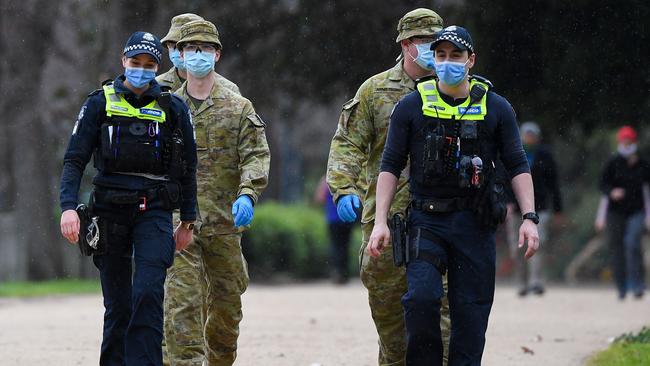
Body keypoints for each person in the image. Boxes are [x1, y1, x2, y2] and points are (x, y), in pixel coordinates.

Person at [368, 26, 539, 365]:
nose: (448, 62)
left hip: (475, 224)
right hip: (426, 221)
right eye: (441, 55)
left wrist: (530, 218)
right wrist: (380, 222)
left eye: (456, 55)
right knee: (421, 299)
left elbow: (517, 164)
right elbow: (390, 165)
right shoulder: (411, 106)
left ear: (470, 60)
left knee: (471, 313)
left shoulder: (496, 108)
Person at [59, 31, 197, 365]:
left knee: (148, 295)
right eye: (135, 63)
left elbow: (190, 166)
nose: (141, 70)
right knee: (118, 305)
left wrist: (188, 220)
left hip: (155, 210)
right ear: (123, 62)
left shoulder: (173, 108)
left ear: (157, 68)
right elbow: (74, 159)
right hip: (109, 212)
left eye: (149, 65)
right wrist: (68, 207)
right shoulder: (98, 103)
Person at [326, 8, 452, 365]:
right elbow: (347, 144)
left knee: (442, 324)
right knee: (391, 323)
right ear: (405, 44)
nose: (429, 48)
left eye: (435, 41)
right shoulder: (375, 91)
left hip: (442, 221)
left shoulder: (456, 90)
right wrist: (344, 188)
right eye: (422, 41)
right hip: (387, 222)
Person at [163, 20, 270, 366]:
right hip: (180, 225)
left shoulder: (237, 106)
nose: (198, 56)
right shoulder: (165, 108)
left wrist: (248, 193)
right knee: (182, 306)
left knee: (226, 310)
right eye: (191, 49)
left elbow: (255, 154)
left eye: (205, 49)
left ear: (217, 54)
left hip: (225, 224)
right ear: (179, 55)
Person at [505, 121, 563, 296]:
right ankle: (521, 282)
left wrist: (559, 209)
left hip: (540, 207)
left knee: (539, 243)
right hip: (515, 208)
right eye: (526, 135)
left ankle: (536, 281)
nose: (529, 138)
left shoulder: (545, 155)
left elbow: (554, 184)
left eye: (532, 135)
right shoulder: (512, 152)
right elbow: (505, 180)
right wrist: (505, 203)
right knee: (518, 246)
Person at [596, 125, 650, 299]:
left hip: (636, 211)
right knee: (617, 248)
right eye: (624, 141)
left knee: (632, 244)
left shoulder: (642, 164)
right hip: (615, 212)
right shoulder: (612, 162)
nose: (626, 144)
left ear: (633, 142)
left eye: (629, 141)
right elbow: (602, 185)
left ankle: (638, 284)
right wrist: (612, 192)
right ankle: (622, 286)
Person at [157, 13, 240, 95]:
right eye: (172, 44)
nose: (178, 50)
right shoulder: (156, 85)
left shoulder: (228, 88)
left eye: (190, 46)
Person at [315, 176, 355, 284]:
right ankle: (344, 273)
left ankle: (337, 272)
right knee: (345, 246)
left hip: (333, 218)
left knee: (335, 246)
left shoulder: (326, 180)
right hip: (347, 218)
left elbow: (319, 198)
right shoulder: (348, 176)